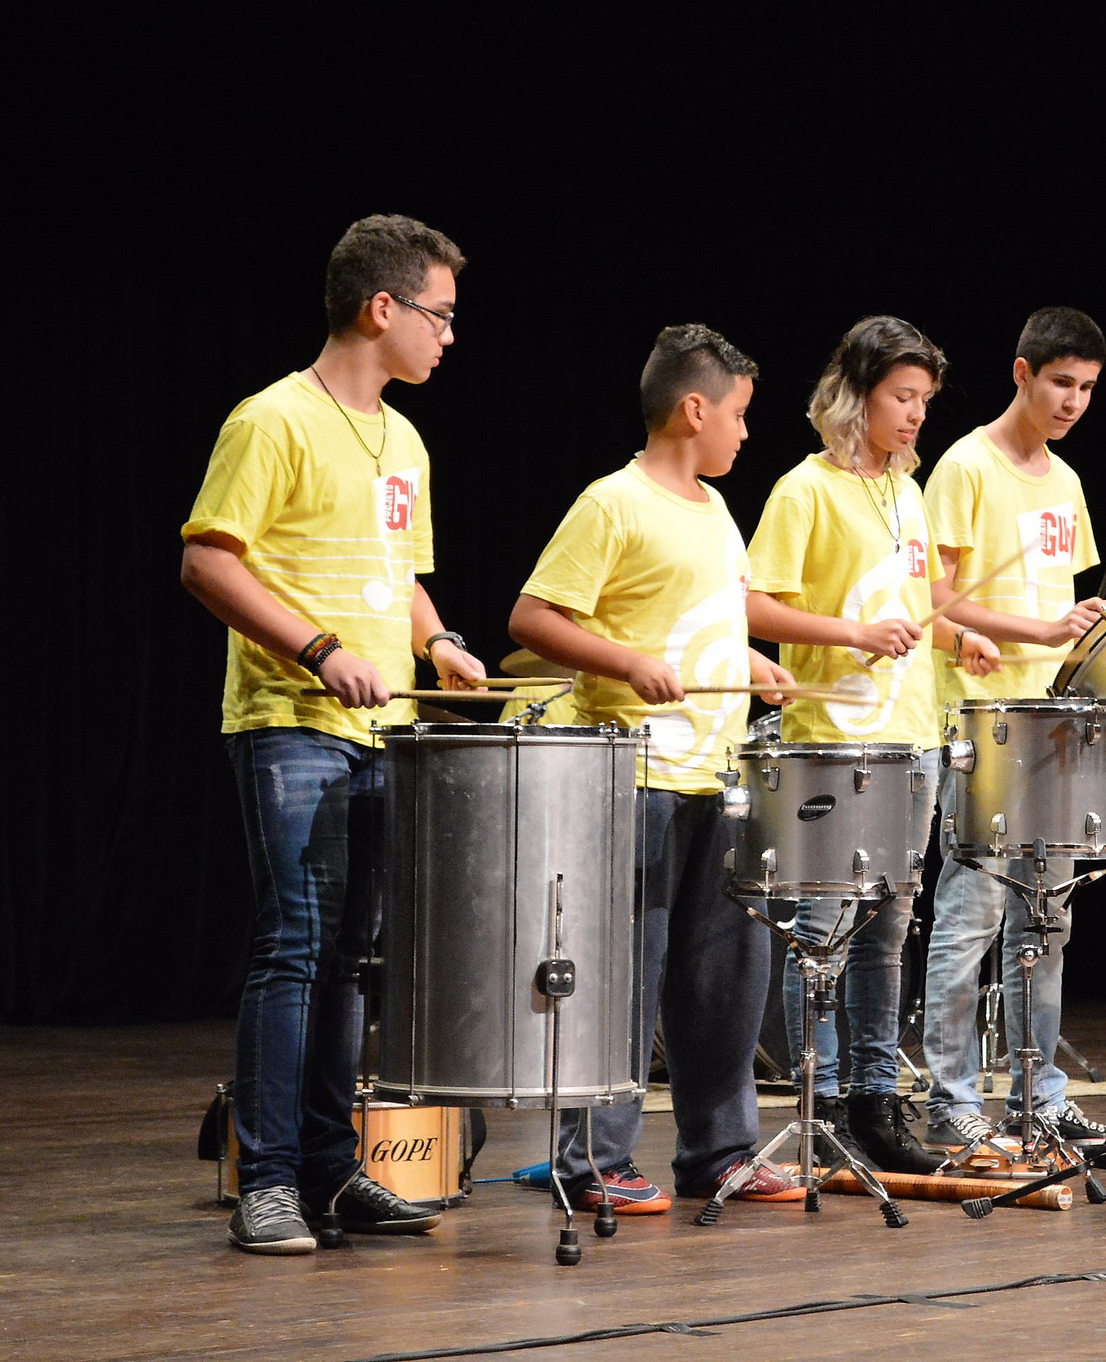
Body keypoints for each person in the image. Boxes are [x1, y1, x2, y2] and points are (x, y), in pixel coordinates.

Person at [181, 214, 488, 1255]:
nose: (450, 336)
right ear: (381, 307)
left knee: (353, 955)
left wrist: (437, 640)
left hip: (380, 732)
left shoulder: (403, 438)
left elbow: (396, 571)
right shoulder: (271, 420)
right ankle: (266, 1180)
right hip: (289, 725)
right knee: (295, 947)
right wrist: (318, 652)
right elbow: (209, 564)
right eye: (440, 316)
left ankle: (328, 1165)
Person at [507, 324, 803, 1215]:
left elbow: (701, 617)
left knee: (725, 977)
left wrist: (753, 664)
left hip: (716, 774)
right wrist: (622, 662)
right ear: (694, 408)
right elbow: (532, 618)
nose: (747, 434)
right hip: (633, 777)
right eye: (741, 415)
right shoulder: (613, 502)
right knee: (623, 977)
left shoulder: (715, 510)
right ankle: (591, 1161)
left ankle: (720, 1153)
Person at [745, 316, 999, 1175]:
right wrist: (850, 630)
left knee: (890, 930)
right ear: (855, 396)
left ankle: (873, 1102)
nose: (917, 414)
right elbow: (753, 609)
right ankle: (816, 1107)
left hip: (911, 741)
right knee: (823, 928)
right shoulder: (802, 490)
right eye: (902, 397)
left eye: (925, 399)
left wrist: (955, 638)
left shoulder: (909, 492)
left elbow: (923, 604)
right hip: (832, 744)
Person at [919, 308, 1106, 1152]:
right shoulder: (965, 466)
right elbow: (931, 602)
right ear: (1021, 374)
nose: (1073, 401)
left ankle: (1039, 1092)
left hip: (1052, 724)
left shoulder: (1066, 482)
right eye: (1061, 383)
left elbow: (1060, 608)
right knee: (972, 917)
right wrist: (1034, 633)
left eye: (1087, 388)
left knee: (1048, 922)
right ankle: (952, 1095)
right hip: (977, 718)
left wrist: (1087, 635)